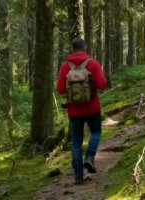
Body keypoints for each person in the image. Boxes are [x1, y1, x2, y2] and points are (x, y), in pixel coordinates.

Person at [57, 38, 107, 185]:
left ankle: (78, 176)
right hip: (92, 108)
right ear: (85, 48)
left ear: (72, 49)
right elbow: (103, 84)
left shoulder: (66, 66)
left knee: (76, 142)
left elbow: (60, 89)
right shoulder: (93, 63)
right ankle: (90, 157)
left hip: (74, 111)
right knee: (96, 132)